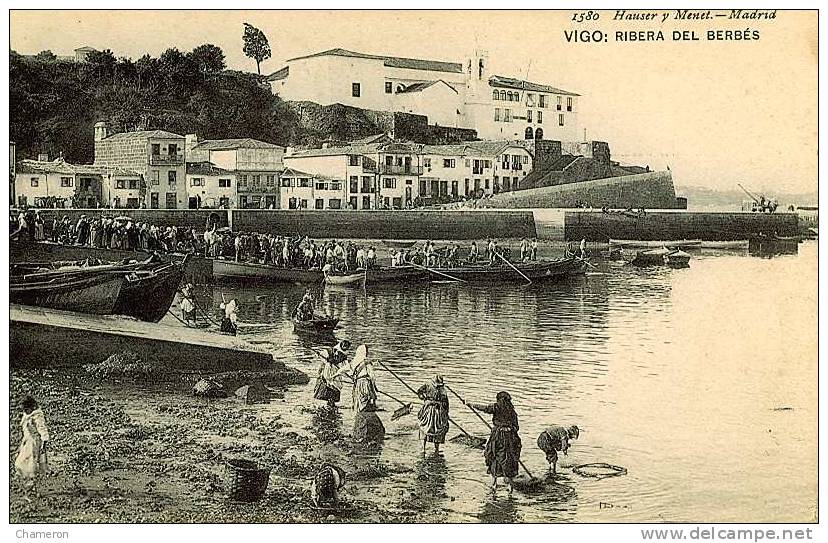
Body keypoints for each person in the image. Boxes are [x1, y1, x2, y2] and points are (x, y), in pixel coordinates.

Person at [464, 391, 521, 493]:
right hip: (510, 438)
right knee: (510, 458)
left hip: (498, 436)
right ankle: (510, 486)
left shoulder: (496, 407)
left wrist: (471, 404)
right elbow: (516, 428)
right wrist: (508, 429)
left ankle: (494, 484)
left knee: (494, 456)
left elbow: (485, 408)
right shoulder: (512, 412)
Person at [336, 345, 385, 443]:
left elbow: (345, 369)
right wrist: (375, 387)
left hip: (358, 383)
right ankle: (366, 416)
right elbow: (372, 376)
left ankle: (362, 415)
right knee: (367, 398)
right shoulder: (367, 363)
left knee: (360, 399)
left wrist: (336, 374)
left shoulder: (355, 361)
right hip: (366, 383)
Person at [14, 395, 50, 494]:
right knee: (20, 462)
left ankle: (32, 485)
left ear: (31, 407)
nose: (25, 411)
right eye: (24, 409)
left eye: (26, 409)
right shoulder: (27, 415)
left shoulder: (37, 416)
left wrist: (43, 444)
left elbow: (42, 430)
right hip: (27, 441)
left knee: (31, 463)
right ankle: (29, 483)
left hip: (34, 443)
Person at [416, 375, 450, 454]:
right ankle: (423, 448)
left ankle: (436, 449)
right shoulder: (427, 385)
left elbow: (446, 403)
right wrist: (424, 398)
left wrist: (445, 412)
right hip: (428, 410)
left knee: (438, 429)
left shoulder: (443, 390)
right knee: (424, 428)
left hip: (438, 412)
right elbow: (419, 392)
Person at [313, 340, 351, 408]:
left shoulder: (344, 356)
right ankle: (326, 404)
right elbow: (321, 356)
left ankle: (331, 403)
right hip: (328, 371)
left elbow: (346, 367)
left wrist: (349, 375)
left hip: (336, 372)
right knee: (327, 385)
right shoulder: (330, 351)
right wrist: (324, 357)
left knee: (336, 386)